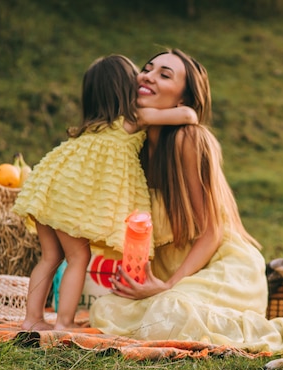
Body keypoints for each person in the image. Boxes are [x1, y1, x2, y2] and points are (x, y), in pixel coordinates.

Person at [90, 49, 283, 353]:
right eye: (147, 69)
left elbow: (211, 232)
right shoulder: (133, 146)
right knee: (106, 309)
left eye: (164, 75)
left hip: (223, 267)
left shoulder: (187, 139)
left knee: (172, 309)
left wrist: (168, 286)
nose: (149, 76)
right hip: (172, 274)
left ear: (182, 100)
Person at [13, 54, 198, 331]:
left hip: (49, 188)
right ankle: (63, 323)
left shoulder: (90, 127)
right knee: (78, 258)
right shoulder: (133, 119)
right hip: (69, 198)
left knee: (50, 257)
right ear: (126, 89)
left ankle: (32, 319)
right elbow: (188, 115)